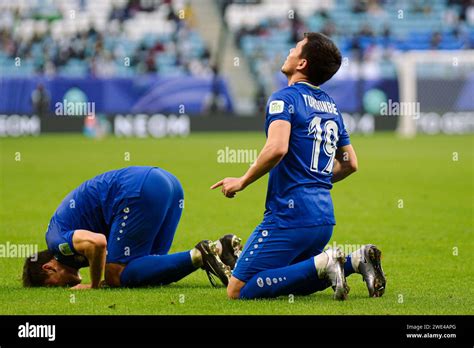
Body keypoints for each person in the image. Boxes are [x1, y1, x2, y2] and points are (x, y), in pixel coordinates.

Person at [211, 33, 386, 300]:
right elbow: (351, 163)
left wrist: (242, 180)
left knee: (237, 289)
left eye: (295, 48)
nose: (290, 51)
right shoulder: (330, 105)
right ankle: (354, 261)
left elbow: (277, 148)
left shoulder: (285, 98)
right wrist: (317, 179)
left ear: (302, 63)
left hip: (289, 216)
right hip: (323, 217)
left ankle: (325, 262)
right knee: (294, 273)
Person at [23, 166, 241, 289]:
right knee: (145, 270)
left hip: (138, 191)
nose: (61, 287)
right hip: (168, 184)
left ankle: (200, 255)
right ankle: (222, 249)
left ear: (49, 268)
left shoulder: (56, 241)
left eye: (53, 285)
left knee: (114, 275)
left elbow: (97, 243)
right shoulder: (63, 241)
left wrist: (95, 284)